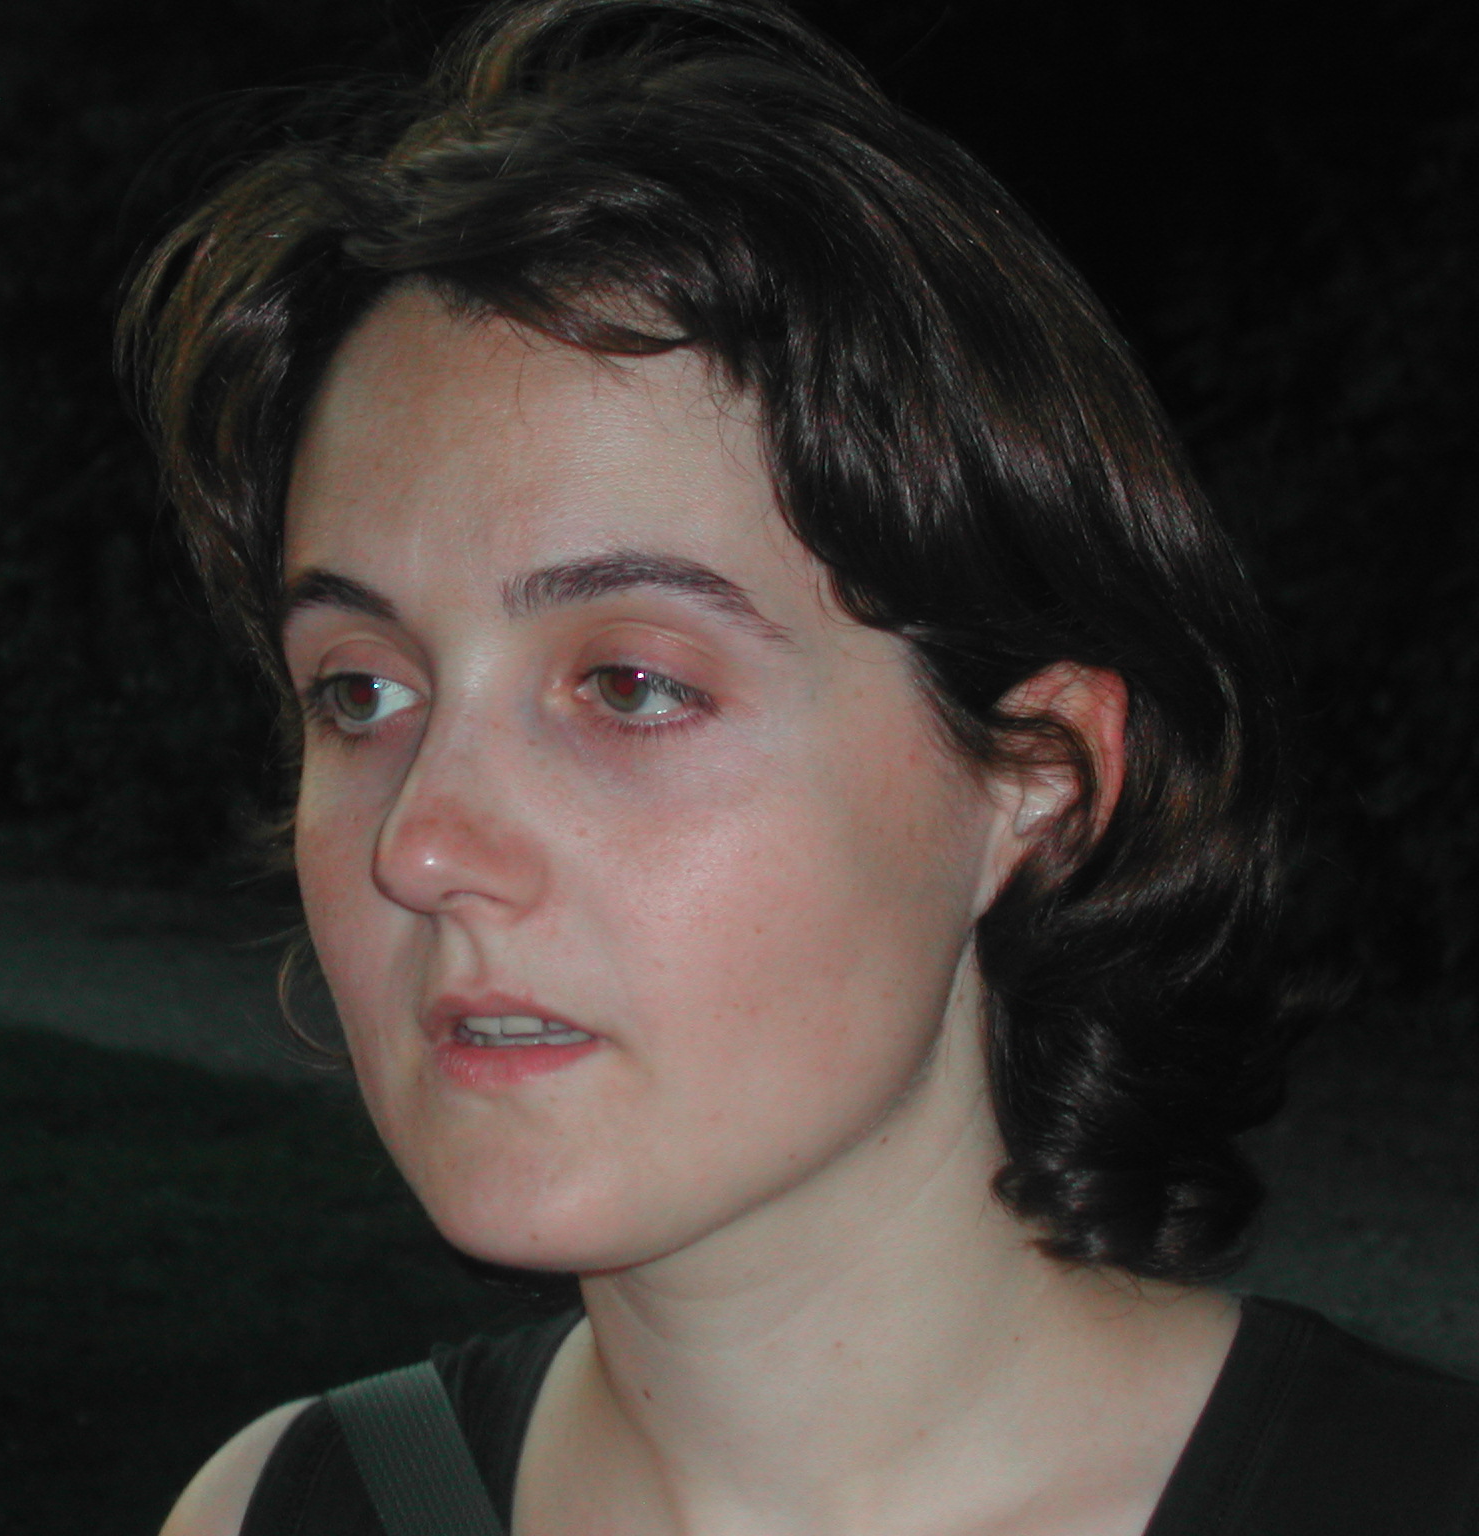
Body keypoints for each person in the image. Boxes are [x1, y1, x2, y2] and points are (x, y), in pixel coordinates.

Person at [121, 2, 1479, 1531]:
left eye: (631, 685)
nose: (418, 845)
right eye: (361, 690)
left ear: (1039, 779)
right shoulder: (275, 1509)